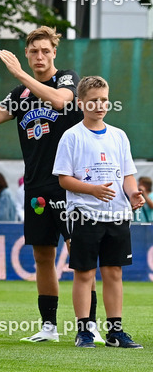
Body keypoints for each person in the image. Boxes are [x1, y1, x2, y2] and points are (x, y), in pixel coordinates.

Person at [0, 26, 91, 342]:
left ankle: (88, 326)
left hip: (69, 185)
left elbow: (59, 101)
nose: (39, 56)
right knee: (43, 257)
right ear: (27, 54)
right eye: (33, 52)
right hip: (36, 186)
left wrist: (17, 74)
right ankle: (49, 327)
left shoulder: (66, 78)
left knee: (78, 253)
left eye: (45, 51)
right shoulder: (20, 94)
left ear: (54, 52)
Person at [53, 76, 143, 348]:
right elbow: (63, 179)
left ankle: (115, 332)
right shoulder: (71, 137)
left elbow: (127, 175)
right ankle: (84, 332)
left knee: (114, 272)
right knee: (84, 273)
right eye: (93, 101)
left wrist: (133, 194)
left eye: (104, 100)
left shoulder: (119, 136)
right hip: (85, 215)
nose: (100, 105)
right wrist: (91, 190)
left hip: (117, 216)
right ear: (81, 103)